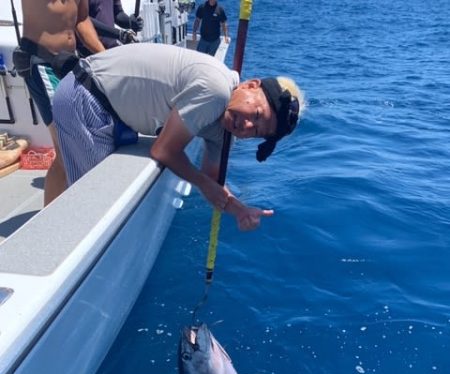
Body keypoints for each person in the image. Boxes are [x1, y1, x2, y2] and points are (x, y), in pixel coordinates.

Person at [52, 44, 305, 231]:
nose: (247, 125)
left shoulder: (224, 131)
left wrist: (239, 210)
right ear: (250, 85)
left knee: (79, 184)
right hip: (86, 96)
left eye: (257, 131)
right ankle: (56, 246)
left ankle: (52, 229)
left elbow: (211, 180)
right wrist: (203, 184)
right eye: (257, 113)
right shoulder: (215, 90)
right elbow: (163, 151)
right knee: (89, 207)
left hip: (109, 109)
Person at [16, 0, 105, 206]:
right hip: (41, 61)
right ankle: (49, 224)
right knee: (66, 150)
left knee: (79, 145)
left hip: (69, 63)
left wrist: (105, 55)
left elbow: (81, 20)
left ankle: (68, 211)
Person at [79, 0, 144, 55]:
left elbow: (118, 14)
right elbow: (82, 20)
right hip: (89, 53)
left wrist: (130, 22)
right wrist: (119, 34)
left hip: (111, 50)